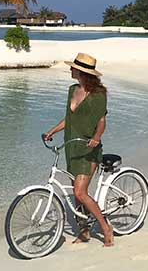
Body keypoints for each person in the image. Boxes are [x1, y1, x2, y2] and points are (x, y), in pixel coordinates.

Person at [42, 53, 113, 247]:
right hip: (71, 145)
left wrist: (96, 138)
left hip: (89, 148)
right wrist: (51, 131)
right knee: (76, 191)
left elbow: (101, 121)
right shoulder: (72, 89)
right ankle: (84, 231)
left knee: (80, 193)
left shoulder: (98, 96)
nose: (70, 69)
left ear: (82, 72)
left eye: (73, 67)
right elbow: (69, 119)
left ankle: (106, 228)